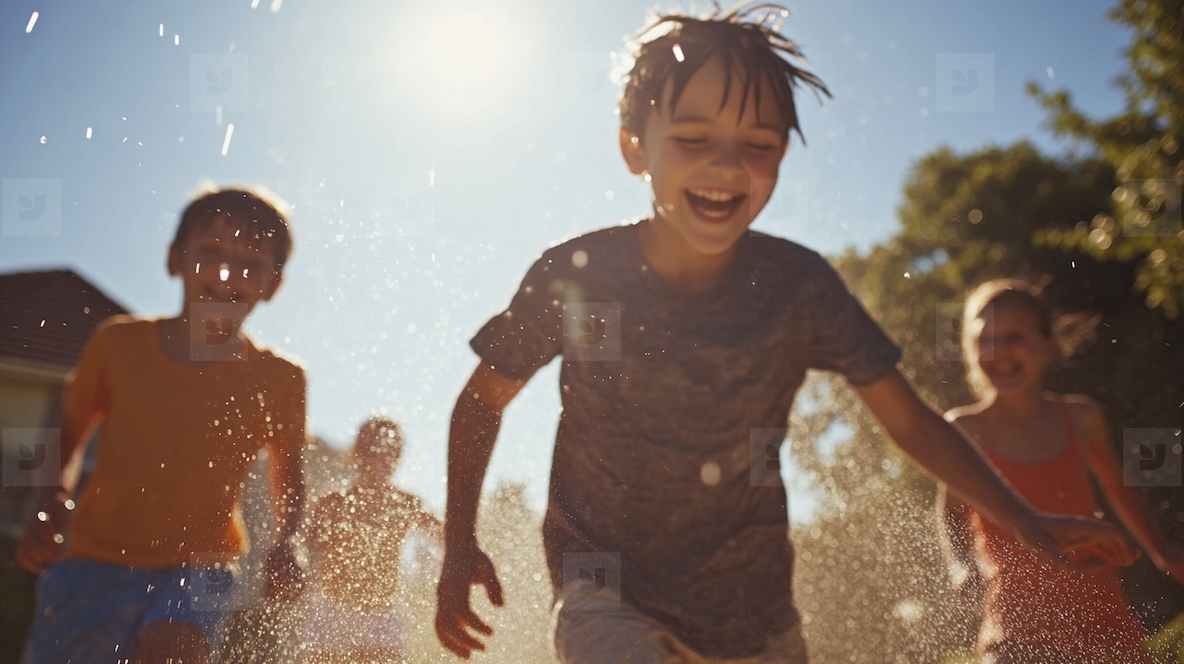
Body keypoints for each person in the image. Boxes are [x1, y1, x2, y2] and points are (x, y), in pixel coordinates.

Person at [434, 6, 1136, 663]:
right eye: (692, 139)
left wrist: (1023, 518)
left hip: (757, 614)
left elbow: (911, 421)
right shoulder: (575, 274)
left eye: (758, 145)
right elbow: (481, 402)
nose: (727, 166)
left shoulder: (799, 286)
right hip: (604, 588)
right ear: (633, 148)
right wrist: (459, 540)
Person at [16, 186, 307, 664]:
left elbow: (289, 472)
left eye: (250, 263)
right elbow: (63, 435)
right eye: (210, 252)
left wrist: (287, 540)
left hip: (202, 564)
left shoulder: (280, 379)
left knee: (172, 652)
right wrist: (48, 499)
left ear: (274, 285)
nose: (226, 273)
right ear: (175, 259)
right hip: (95, 559)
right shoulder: (118, 345)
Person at [936, 279, 1184, 664]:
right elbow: (951, 511)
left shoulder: (1082, 418)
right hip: (1016, 622)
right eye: (984, 340)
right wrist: (962, 567)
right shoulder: (966, 431)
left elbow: (1119, 488)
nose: (997, 351)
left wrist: (1162, 552)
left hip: (1097, 607)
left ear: (1047, 346)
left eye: (1013, 336)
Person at [299, 417, 442, 664]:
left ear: (397, 457)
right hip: (332, 611)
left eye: (389, 453)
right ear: (357, 454)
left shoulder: (406, 503)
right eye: (372, 452)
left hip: (382, 615)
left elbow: (445, 536)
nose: (379, 461)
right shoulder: (332, 501)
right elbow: (300, 542)